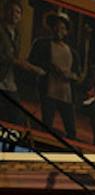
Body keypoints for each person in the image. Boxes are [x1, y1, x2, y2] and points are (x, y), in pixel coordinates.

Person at [27, 10, 79, 139]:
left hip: (66, 94)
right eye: (56, 26)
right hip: (48, 91)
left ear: (66, 31)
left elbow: (78, 75)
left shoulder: (73, 52)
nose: (58, 30)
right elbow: (31, 63)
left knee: (71, 129)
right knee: (46, 126)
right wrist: (44, 69)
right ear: (51, 27)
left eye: (62, 27)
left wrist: (70, 75)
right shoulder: (41, 43)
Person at [1, 0, 41, 99]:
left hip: (9, 81)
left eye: (18, 12)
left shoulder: (17, 34)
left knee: (16, 114)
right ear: (5, 12)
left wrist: (28, 66)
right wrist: (19, 63)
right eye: (11, 10)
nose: (14, 14)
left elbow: (15, 57)